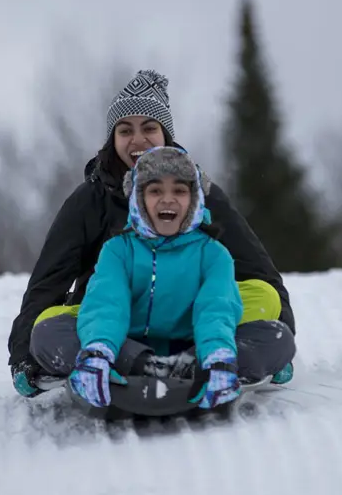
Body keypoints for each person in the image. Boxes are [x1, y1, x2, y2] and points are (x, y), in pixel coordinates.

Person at [8, 68, 296, 398]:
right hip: (112, 323)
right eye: (125, 130)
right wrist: (23, 356)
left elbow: (258, 270)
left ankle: (196, 358)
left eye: (149, 128)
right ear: (112, 140)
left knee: (264, 297)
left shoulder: (201, 194)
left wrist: (284, 334)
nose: (137, 139)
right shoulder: (90, 201)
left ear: (165, 135)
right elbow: (49, 282)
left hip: (193, 322)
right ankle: (135, 360)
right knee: (47, 327)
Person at [56, 145, 255, 408]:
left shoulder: (213, 253)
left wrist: (217, 357)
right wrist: (97, 351)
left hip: (193, 351)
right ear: (139, 199)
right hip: (127, 349)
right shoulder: (118, 250)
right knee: (51, 331)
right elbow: (107, 303)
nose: (168, 199)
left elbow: (216, 308)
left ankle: (207, 371)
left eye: (180, 191)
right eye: (155, 190)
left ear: (194, 200)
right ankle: (127, 366)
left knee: (273, 336)